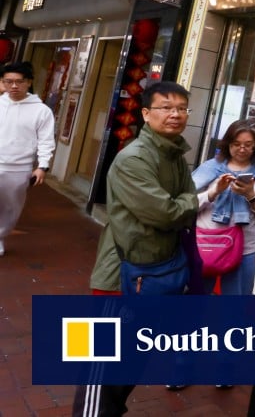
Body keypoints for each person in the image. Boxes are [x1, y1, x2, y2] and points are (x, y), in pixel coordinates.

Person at [73, 81, 198, 417]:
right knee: (99, 370)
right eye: (166, 107)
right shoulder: (134, 158)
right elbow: (168, 212)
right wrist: (187, 203)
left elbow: (185, 202)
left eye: (182, 108)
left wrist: (185, 203)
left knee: (130, 361)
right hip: (118, 276)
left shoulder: (172, 153)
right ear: (145, 113)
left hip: (147, 276)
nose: (175, 114)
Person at [191, 119, 255, 295]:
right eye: (236, 144)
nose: (242, 149)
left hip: (244, 249)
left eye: (248, 145)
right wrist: (214, 191)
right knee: (194, 302)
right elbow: (187, 204)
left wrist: (251, 196)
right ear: (227, 144)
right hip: (206, 243)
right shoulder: (209, 168)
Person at [0, 61, 55, 256]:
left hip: (19, 168)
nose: (13, 86)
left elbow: (46, 141)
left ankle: (0, 236)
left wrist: (42, 166)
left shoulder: (41, 111)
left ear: (29, 82)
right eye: (8, 81)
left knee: (10, 207)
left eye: (18, 82)